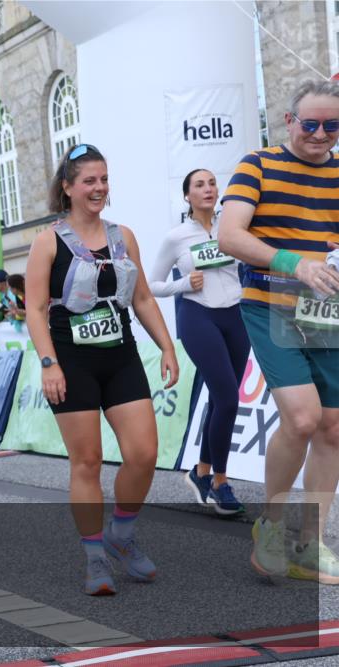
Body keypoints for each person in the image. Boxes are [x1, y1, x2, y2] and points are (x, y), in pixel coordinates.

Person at [25, 143, 179, 595]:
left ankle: (121, 534)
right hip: (71, 361)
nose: (99, 188)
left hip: (120, 355)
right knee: (87, 461)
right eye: (89, 180)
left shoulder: (122, 235)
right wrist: (49, 363)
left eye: (104, 179)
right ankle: (94, 556)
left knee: (144, 454)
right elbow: (35, 309)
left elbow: (142, 298)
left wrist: (166, 347)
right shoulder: (48, 241)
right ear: (68, 187)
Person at [219, 80, 339, 583]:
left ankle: (309, 543)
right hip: (271, 305)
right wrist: (296, 263)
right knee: (305, 418)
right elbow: (228, 235)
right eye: (309, 124)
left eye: (331, 126)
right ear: (289, 121)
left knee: (334, 428)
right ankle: (270, 526)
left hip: (327, 311)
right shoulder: (258, 165)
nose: (319, 134)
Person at [149, 168, 249, 515]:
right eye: (199, 185)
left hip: (236, 316)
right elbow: (152, 284)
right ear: (187, 195)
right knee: (228, 398)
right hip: (197, 316)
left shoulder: (233, 227)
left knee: (222, 400)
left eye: (211, 183)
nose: (207, 189)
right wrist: (182, 284)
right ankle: (220, 482)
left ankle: (201, 472)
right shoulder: (176, 237)